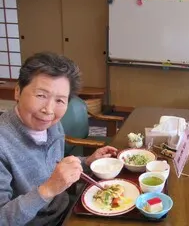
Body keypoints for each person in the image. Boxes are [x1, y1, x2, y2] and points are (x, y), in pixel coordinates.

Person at [0, 52, 118, 225]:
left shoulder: (51, 124)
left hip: (66, 211)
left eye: (60, 101)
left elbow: (53, 165)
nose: (49, 109)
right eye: (41, 95)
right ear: (18, 91)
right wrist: (47, 190)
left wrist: (88, 161)